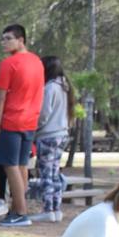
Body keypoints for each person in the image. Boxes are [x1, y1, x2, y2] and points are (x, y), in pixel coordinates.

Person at [0, 23, 43, 226]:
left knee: (10, 165)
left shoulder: (9, 64)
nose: (4, 42)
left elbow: (0, 97)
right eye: (3, 39)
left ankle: (21, 212)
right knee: (21, 165)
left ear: (21, 40)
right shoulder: (37, 62)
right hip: (30, 121)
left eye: (8, 38)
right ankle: (17, 208)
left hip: (12, 121)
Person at [32, 55, 70, 222]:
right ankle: (56, 207)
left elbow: (44, 114)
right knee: (54, 173)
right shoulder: (64, 87)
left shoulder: (49, 88)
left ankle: (48, 208)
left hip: (48, 135)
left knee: (46, 173)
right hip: (61, 134)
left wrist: (35, 127)